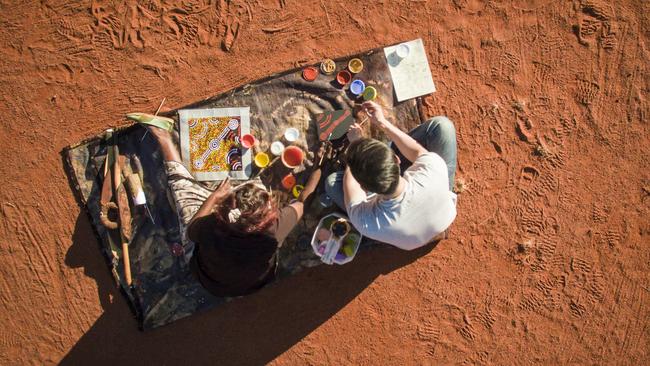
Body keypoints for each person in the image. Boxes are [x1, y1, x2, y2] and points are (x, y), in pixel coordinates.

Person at [146, 118, 321, 297]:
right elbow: (304, 202)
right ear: (265, 218)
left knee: (183, 188)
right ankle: (164, 138)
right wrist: (319, 168)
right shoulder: (274, 229)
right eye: (269, 205)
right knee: (258, 184)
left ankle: (164, 138)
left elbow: (191, 230)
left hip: (211, 281)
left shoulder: (212, 227)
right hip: (251, 283)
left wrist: (213, 198)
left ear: (224, 209)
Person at [324, 101, 457, 250]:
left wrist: (355, 147)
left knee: (331, 183)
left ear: (365, 188)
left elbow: (351, 185)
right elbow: (416, 151)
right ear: (397, 159)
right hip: (439, 209)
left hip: (408, 232)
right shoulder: (434, 168)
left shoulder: (365, 221)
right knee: (442, 126)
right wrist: (382, 122)